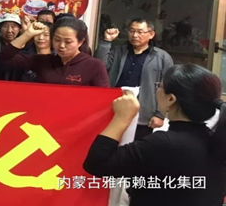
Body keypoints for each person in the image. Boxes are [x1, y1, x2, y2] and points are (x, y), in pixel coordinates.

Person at [83, 64, 226, 206]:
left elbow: (97, 163)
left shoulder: (164, 144)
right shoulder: (217, 140)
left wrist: (121, 118)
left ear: (171, 99)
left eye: (159, 86)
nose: (157, 90)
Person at [96, 19, 174, 139]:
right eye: (131, 31)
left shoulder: (162, 57)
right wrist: (106, 42)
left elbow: (168, 87)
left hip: (144, 113)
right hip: (115, 107)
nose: (135, 35)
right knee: (108, 143)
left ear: (151, 34)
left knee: (137, 147)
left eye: (140, 32)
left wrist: (160, 114)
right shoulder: (118, 51)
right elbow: (100, 66)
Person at [0, 20, 109, 87]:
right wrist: (27, 34)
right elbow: (5, 58)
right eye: (57, 40)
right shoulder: (44, 61)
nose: (61, 45)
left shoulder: (94, 65)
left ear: (80, 42)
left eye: (68, 42)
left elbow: (102, 97)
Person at [0, 14, 36, 82]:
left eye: (13, 26)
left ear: (20, 29)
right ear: (0, 28)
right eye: (5, 26)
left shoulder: (26, 45)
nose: (9, 30)